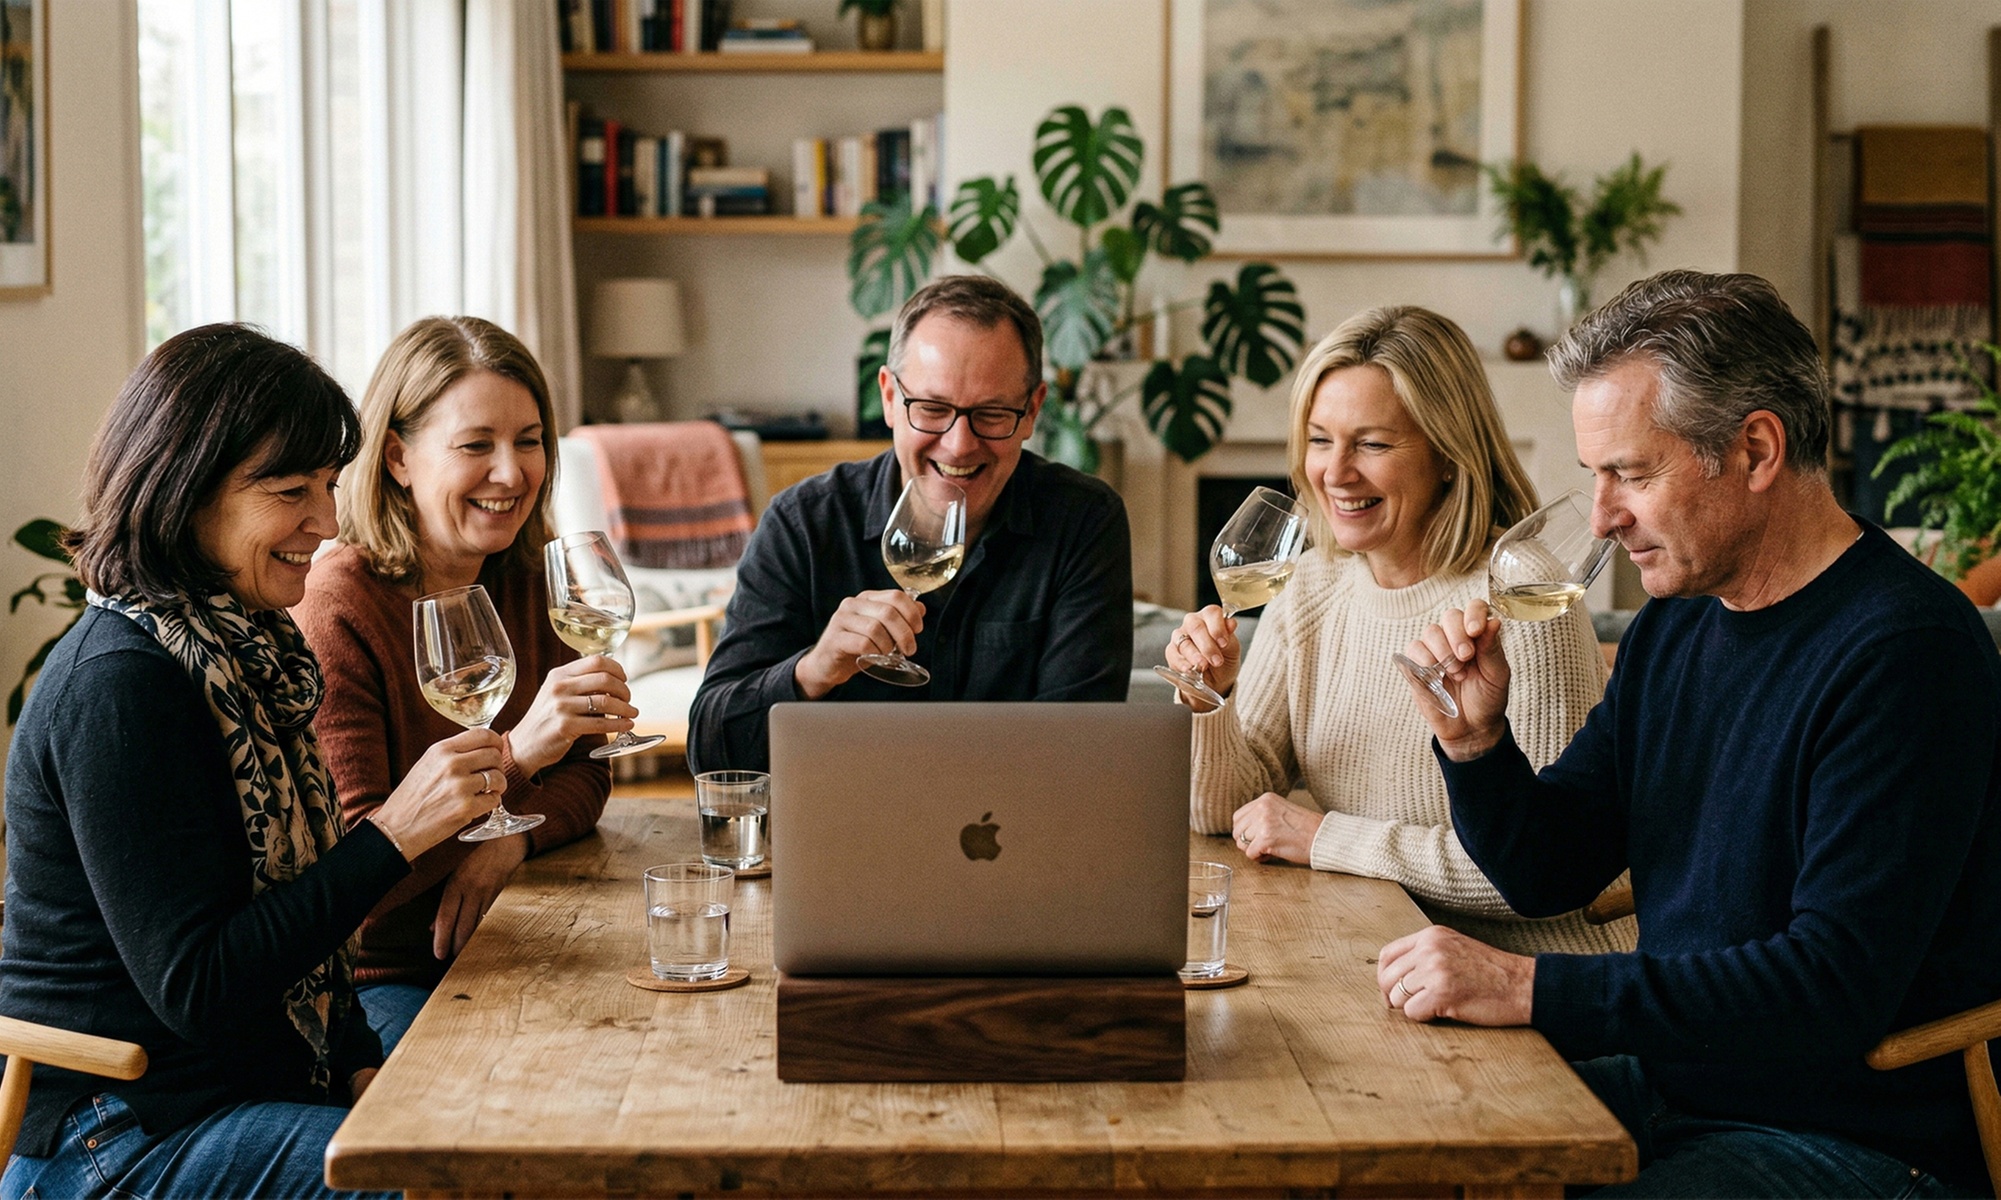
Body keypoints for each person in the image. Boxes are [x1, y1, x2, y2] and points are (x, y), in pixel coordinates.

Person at [1383, 270, 2001, 1197]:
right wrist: (1477, 746)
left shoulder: (1906, 652)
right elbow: (1550, 869)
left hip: (1849, 1137)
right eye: (1594, 477)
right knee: (1398, 1153)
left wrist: (1526, 990)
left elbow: (1824, 990)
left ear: (1754, 448)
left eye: (1630, 474)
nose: (1600, 517)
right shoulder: (1678, 623)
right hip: (1676, 1086)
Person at [0, 324, 499, 1199]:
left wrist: (356, 1067)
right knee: (449, 1182)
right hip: (113, 1132)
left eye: (330, 485)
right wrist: (395, 836)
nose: (327, 520)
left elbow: (303, 937)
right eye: (289, 490)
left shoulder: (248, 656)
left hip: (233, 1087)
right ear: (186, 492)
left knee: (498, 1128)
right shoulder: (122, 685)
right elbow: (199, 985)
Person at [1167, 306, 1630, 956]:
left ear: (1447, 453)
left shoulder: (1522, 592)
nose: (1335, 471)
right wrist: (1206, 702)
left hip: (1535, 985)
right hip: (1380, 952)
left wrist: (1324, 838)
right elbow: (1224, 815)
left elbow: (1547, 872)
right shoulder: (1310, 585)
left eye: (1373, 444)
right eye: (1320, 439)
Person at [295, 317, 618, 1055]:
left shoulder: (531, 578)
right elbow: (358, 880)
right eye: (476, 445)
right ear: (401, 457)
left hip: (518, 927)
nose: (511, 473)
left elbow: (591, 773)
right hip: (387, 980)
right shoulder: (338, 605)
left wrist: (509, 842)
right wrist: (515, 762)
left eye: (529, 441)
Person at [688, 275, 1133, 772]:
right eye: (932, 409)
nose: (959, 445)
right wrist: (813, 671)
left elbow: (1083, 752)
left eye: (990, 414)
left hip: (1006, 837)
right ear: (889, 398)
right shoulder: (804, 525)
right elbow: (711, 751)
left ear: (1031, 411)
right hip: (842, 832)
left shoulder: (1083, 522)